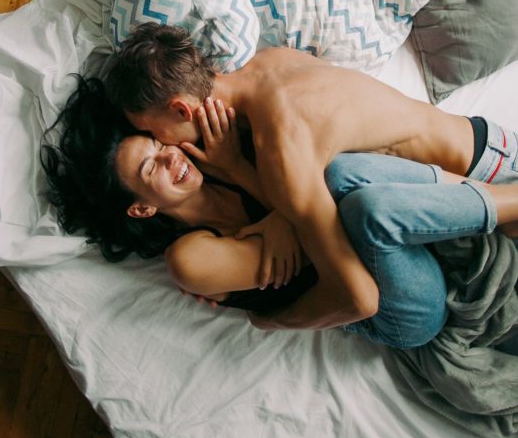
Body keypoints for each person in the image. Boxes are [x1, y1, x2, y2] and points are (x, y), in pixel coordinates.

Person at [42, 75, 518, 349]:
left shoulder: (224, 162)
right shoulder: (190, 258)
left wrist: (253, 184)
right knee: (359, 202)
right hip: (401, 311)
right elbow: (332, 255)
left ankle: (493, 200)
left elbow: (309, 202)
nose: (171, 157)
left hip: (405, 248)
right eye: (151, 168)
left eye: (157, 145)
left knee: (341, 176)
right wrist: (287, 215)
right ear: (143, 208)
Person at [103, 23, 518, 332]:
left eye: (154, 134)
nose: (167, 147)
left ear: (181, 109)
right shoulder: (272, 60)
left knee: (345, 183)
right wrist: (272, 204)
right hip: (489, 143)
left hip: (480, 181)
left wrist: (267, 321)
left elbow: (357, 297)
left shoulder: (280, 151)